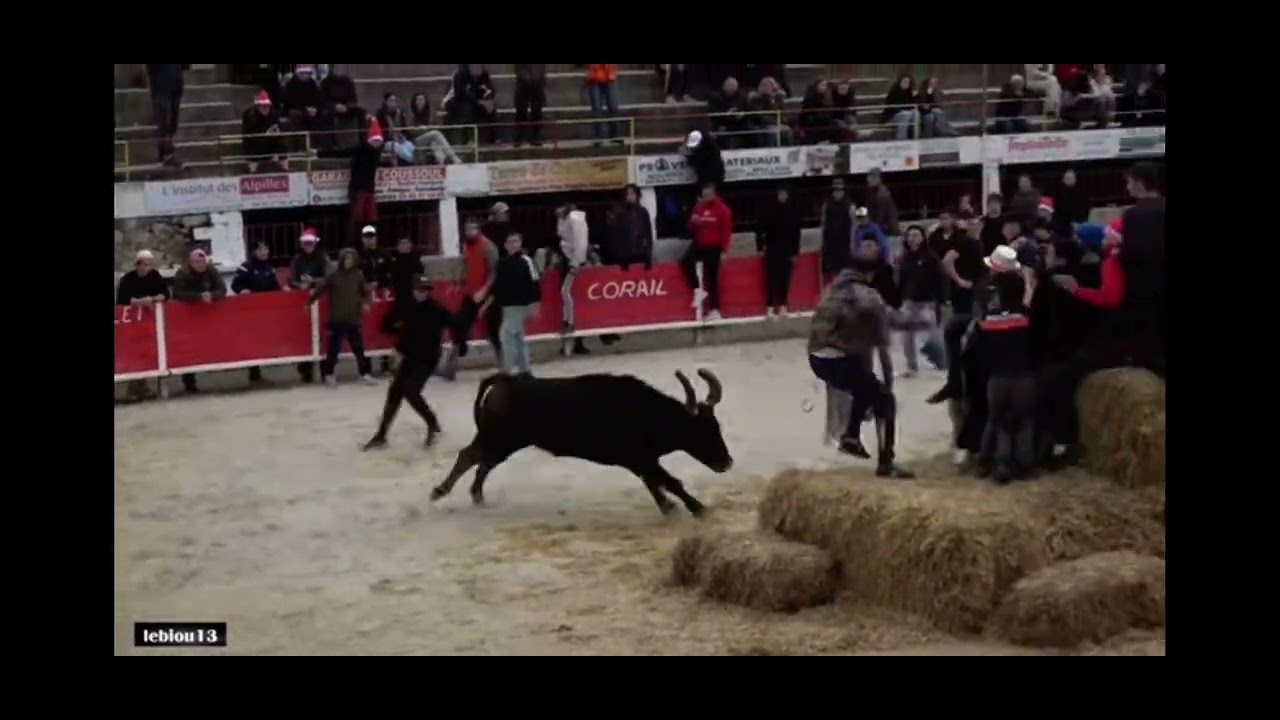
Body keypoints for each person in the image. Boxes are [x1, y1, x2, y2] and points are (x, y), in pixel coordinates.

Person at [807, 265, 914, 478]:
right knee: (884, 400)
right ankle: (885, 462)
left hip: (818, 357)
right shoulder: (865, 293)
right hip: (839, 359)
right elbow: (877, 323)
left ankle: (851, 436)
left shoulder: (831, 290)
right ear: (870, 275)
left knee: (866, 387)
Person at [363, 275, 467, 452]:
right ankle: (381, 435)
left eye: (425, 290)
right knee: (395, 391)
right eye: (420, 289)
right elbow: (386, 324)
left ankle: (432, 423)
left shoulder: (435, 309)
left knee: (410, 390)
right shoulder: (407, 306)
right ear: (414, 290)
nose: (422, 293)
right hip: (410, 356)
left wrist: (460, 343)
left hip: (427, 358)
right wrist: (400, 336)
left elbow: (456, 324)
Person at [968, 247, 1036, 483]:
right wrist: (1029, 283)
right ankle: (1024, 463)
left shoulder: (988, 321)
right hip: (1023, 375)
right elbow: (1028, 298)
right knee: (1024, 419)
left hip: (997, 378)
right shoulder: (1023, 317)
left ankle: (991, 462)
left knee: (996, 420)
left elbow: (976, 336)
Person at [308, 247, 377, 387]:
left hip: (353, 318)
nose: (348, 261)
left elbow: (363, 292)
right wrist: (309, 302)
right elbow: (320, 288)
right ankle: (329, 374)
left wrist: (366, 303)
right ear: (341, 260)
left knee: (359, 349)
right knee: (334, 349)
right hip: (337, 319)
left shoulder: (358, 275)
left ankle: (365, 374)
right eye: (346, 259)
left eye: (351, 259)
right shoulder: (333, 275)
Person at [116, 249, 171, 401]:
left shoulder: (155, 276)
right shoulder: (127, 279)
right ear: (137, 265)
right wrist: (142, 302)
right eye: (143, 264)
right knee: (135, 353)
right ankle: (134, 390)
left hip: (151, 322)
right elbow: (122, 301)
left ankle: (143, 389)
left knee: (149, 352)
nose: (146, 267)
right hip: (132, 323)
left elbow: (165, 295)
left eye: (148, 264)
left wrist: (151, 299)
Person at [171, 248, 228, 394]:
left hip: (209, 316)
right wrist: (198, 297)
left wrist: (212, 296)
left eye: (202, 261)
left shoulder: (211, 271)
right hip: (188, 316)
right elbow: (177, 293)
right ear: (191, 263)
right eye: (197, 262)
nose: (200, 265)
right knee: (189, 348)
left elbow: (222, 289)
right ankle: (189, 383)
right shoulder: (183, 273)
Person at [320, 116, 383, 247]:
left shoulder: (363, 150)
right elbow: (343, 153)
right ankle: (360, 246)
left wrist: (321, 153)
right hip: (363, 190)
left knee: (358, 221)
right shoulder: (374, 153)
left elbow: (343, 152)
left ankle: (356, 245)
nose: (377, 144)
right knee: (365, 221)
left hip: (361, 190)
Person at [450, 218, 503, 369]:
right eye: (467, 229)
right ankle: (461, 348)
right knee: (458, 324)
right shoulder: (466, 245)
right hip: (470, 293)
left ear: (478, 229)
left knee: (494, 331)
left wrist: (484, 290)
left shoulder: (488, 246)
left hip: (487, 295)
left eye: (472, 229)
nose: (469, 232)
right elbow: (465, 265)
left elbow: (495, 271)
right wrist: (459, 283)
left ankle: (504, 365)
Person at [231, 241, 285, 384]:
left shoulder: (269, 268)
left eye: (266, 249)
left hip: (265, 311)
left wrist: (283, 291)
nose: (264, 252)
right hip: (249, 311)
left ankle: (260, 372)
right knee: (251, 340)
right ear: (254, 252)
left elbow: (275, 288)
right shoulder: (245, 267)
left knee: (264, 339)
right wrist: (242, 290)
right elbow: (235, 285)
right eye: (260, 250)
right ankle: (254, 373)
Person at [896, 225, 946, 376]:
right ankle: (911, 366)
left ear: (923, 238)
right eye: (910, 235)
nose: (912, 238)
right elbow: (901, 280)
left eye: (916, 234)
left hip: (928, 302)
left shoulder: (931, 257)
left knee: (934, 335)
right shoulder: (904, 257)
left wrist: (941, 300)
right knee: (906, 336)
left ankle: (942, 362)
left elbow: (941, 279)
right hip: (909, 302)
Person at [493, 233, 542, 377]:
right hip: (507, 306)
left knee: (506, 335)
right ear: (505, 245)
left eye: (516, 241)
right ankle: (525, 369)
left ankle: (507, 370)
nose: (513, 244)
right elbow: (498, 286)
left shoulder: (526, 260)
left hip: (521, 305)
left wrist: (535, 303)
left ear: (520, 243)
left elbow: (534, 282)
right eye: (510, 242)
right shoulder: (502, 263)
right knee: (517, 337)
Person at [684, 182, 733, 321]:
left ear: (713, 193)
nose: (705, 197)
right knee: (686, 261)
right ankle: (697, 290)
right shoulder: (699, 207)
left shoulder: (723, 210)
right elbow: (690, 227)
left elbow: (726, 231)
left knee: (711, 278)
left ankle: (715, 309)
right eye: (703, 195)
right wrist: (694, 222)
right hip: (700, 244)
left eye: (707, 194)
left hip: (714, 247)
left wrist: (724, 250)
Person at [756, 184, 801, 318]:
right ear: (777, 195)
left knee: (784, 279)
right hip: (772, 248)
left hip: (787, 249)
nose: (782, 196)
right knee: (771, 278)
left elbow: (796, 232)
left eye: (784, 194)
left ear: (787, 195)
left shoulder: (792, 210)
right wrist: (760, 247)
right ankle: (770, 307)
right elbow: (759, 228)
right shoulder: (769, 209)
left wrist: (795, 252)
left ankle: (783, 306)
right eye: (780, 194)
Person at [556, 204, 590, 355]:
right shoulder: (563, 219)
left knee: (565, 291)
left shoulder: (575, 219)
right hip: (567, 257)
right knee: (565, 292)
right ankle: (567, 322)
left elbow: (581, 242)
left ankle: (569, 322)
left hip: (572, 259)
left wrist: (576, 262)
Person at [241, 90, 287, 172]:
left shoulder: (273, 114)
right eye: (263, 106)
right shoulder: (249, 115)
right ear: (258, 106)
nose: (265, 108)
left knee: (282, 146)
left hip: (270, 142)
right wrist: (264, 134)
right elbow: (247, 135)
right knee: (252, 149)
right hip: (255, 143)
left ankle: (285, 168)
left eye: (267, 105)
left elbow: (280, 129)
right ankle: (252, 171)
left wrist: (277, 132)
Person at [820, 178, 855, 284]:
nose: (837, 193)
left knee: (846, 272)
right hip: (830, 243)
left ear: (844, 191)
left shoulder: (850, 206)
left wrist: (852, 244)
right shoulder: (827, 205)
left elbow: (854, 226)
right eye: (835, 190)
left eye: (840, 190)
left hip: (844, 243)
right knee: (832, 272)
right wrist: (822, 243)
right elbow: (823, 223)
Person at [586, 64, 622, 145]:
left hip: (609, 75)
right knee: (597, 108)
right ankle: (598, 137)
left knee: (613, 106)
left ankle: (615, 135)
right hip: (594, 76)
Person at [513, 64, 547, 146]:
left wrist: (536, 78)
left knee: (537, 110)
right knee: (521, 110)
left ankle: (535, 137)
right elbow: (518, 68)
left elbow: (541, 68)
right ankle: (519, 137)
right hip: (523, 82)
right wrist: (526, 77)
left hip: (537, 82)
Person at [881, 75, 919, 140]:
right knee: (906, 114)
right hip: (891, 117)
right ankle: (901, 138)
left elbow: (912, 104)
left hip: (905, 113)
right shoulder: (894, 92)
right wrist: (906, 110)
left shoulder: (909, 92)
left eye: (908, 83)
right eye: (904, 82)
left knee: (916, 113)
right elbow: (891, 108)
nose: (906, 84)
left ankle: (915, 136)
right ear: (900, 82)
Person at [865, 169, 900, 237]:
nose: (869, 180)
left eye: (872, 178)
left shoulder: (881, 195)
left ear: (878, 179)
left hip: (887, 230)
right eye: (868, 178)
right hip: (884, 228)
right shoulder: (874, 192)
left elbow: (881, 216)